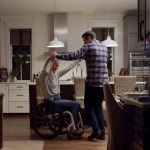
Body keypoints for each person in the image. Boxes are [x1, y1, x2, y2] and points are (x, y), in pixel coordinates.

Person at [50, 30, 109, 141]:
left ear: (88, 38)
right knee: (98, 107)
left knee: (88, 107)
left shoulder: (88, 46)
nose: (84, 42)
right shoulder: (104, 47)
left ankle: (96, 130)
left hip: (92, 83)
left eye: (84, 40)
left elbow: (74, 55)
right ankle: (102, 133)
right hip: (103, 84)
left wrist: (58, 55)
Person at [39, 56, 81, 134]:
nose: (57, 67)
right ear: (51, 64)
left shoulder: (57, 73)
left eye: (58, 65)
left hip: (58, 99)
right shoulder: (44, 76)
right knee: (75, 105)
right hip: (51, 101)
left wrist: (79, 60)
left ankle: (72, 125)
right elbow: (45, 69)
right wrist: (50, 59)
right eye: (56, 65)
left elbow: (68, 68)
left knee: (77, 105)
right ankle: (72, 127)